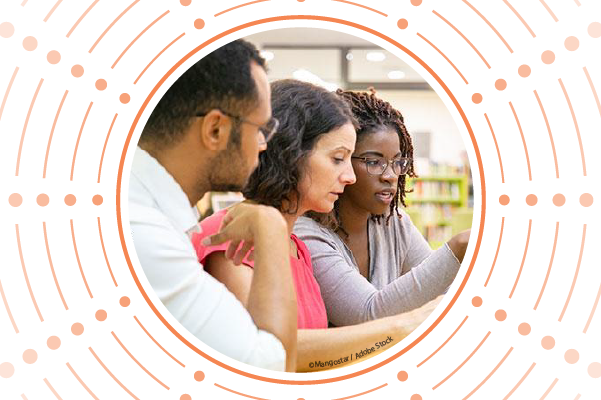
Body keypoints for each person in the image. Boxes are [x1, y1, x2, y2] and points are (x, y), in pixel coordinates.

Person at [196, 80, 429, 372]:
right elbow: (271, 354)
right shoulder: (231, 234)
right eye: (337, 159)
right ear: (291, 154)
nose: (350, 177)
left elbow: (315, 356)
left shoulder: (297, 248)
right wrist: (403, 326)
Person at [129, 39, 297, 371]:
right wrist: (271, 226)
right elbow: (269, 370)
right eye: (261, 128)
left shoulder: (149, 213)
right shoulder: (144, 235)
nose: (264, 144)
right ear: (216, 129)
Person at [294, 89, 470, 328]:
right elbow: (367, 314)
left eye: (397, 162)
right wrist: (458, 248)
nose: (390, 175)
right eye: (374, 162)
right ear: (342, 161)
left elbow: (441, 290)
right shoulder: (305, 233)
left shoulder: (393, 222)